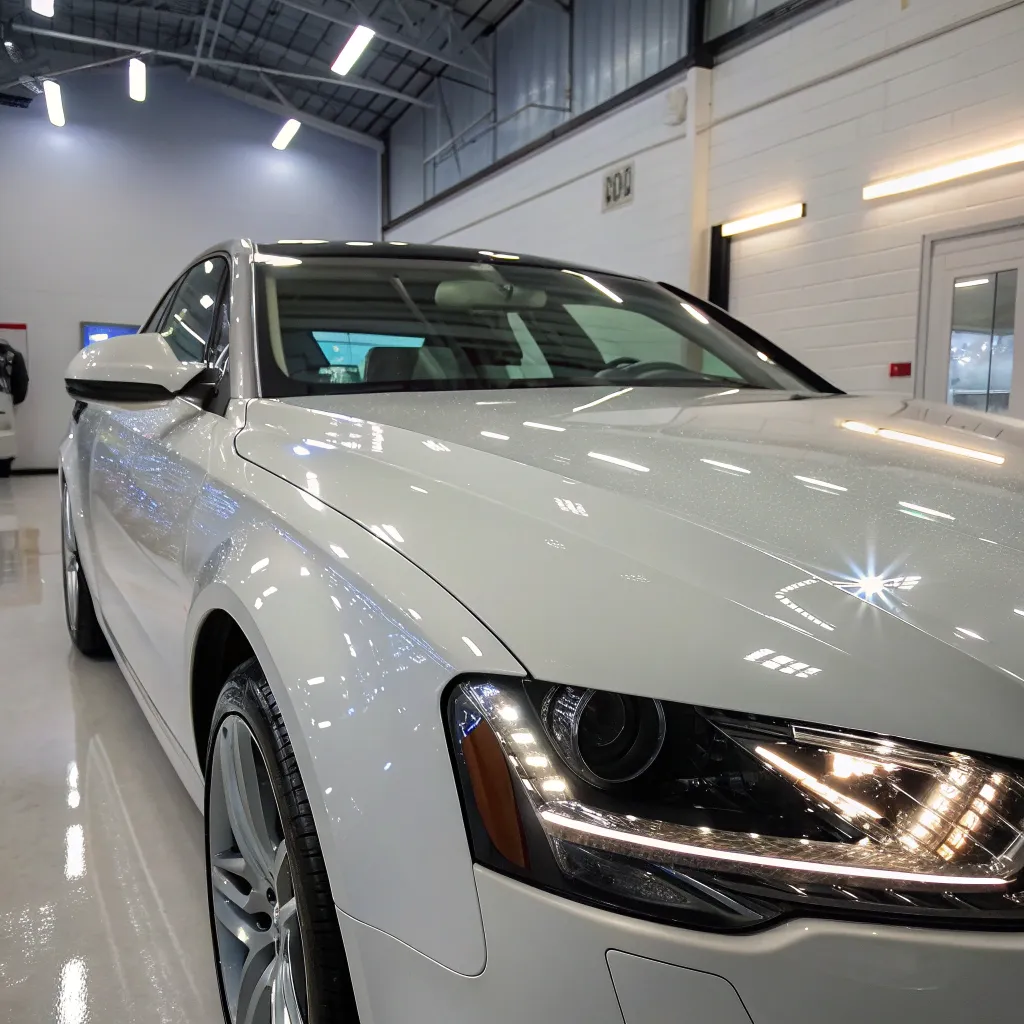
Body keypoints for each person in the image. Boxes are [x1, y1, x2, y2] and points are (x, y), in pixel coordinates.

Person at [0, 340, 28, 478]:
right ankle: (4, 468)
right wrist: (15, 400)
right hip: (6, 401)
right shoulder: (13, 356)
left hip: (6, 400)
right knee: (6, 435)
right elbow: (22, 381)